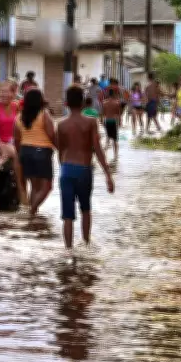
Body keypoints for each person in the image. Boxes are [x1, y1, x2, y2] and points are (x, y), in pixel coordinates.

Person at [57, 85, 114, 250]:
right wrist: (108, 174)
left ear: (66, 103)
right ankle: (86, 244)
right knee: (85, 209)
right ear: (82, 103)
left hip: (66, 170)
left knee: (67, 216)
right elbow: (98, 149)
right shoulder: (90, 122)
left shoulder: (61, 124)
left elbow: (60, 151)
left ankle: (68, 251)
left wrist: (63, 169)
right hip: (84, 170)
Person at [14, 88, 56, 218]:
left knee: (35, 187)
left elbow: (16, 139)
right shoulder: (44, 114)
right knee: (47, 187)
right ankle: (32, 211)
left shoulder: (19, 117)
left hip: (25, 151)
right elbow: (51, 135)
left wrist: (20, 154)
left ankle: (33, 217)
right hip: (41, 152)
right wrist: (60, 149)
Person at [0, 81, 25, 203]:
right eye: (2, 91)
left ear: (13, 93)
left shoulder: (16, 106)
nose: (4, 94)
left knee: (25, 154)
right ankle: (21, 190)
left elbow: (20, 128)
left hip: (10, 142)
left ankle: (21, 187)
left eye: (7, 92)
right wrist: (2, 148)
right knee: (17, 154)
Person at [102, 88, 121, 159]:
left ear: (108, 94)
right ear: (113, 94)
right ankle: (115, 156)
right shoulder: (117, 103)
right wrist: (120, 122)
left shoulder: (104, 103)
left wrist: (102, 121)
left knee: (107, 139)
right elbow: (118, 114)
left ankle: (104, 155)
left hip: (107, 121)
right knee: (115, 140)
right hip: (113, 121)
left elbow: (103, 114)